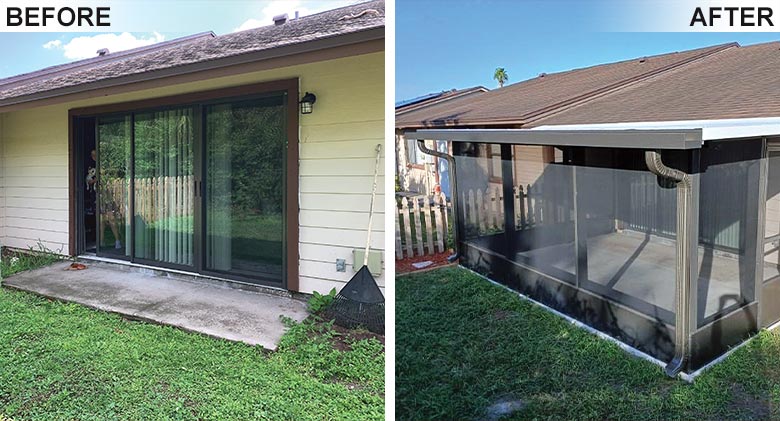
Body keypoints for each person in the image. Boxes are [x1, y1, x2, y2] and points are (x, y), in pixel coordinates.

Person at [87, 149, 122, 250]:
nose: (94, 157)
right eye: (92, 155)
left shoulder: (104, 166)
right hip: (97, 196)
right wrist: (96, 180)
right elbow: (88, 181)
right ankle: (101, 242)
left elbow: (110, 179)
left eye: (95, 155)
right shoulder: (90, 168)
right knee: (101, 220)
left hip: (106, 197)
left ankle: (117, 241)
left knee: (111, 218)